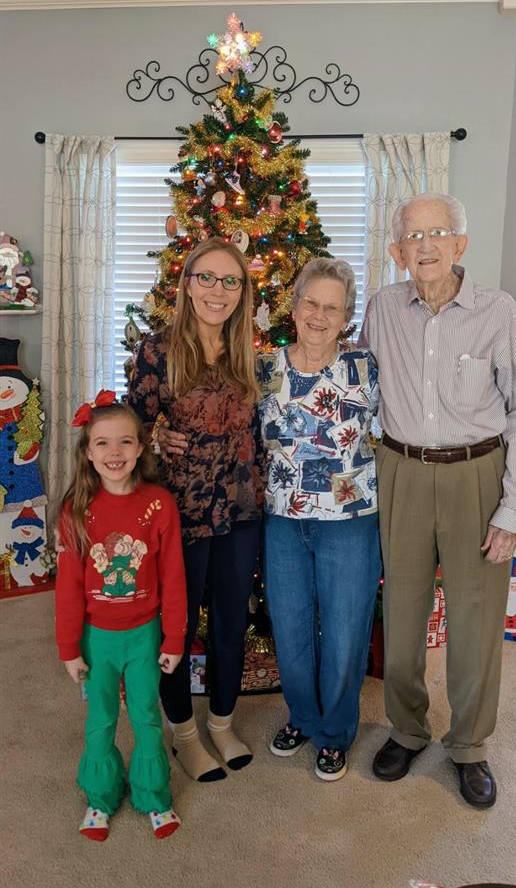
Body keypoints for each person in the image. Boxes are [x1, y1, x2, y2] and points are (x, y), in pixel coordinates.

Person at [361, 192, 516, 807]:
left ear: (460, 244)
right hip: (402, 471)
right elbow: (357, 389)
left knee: (475, 618)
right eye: (414, 236)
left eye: (439, 233)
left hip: (476, 474)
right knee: (404, 612)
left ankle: (469, 746)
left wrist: (513, 508)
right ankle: (408, 730)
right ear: (397, 251)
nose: (427, 245)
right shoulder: (381, 307)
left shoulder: (498, 312)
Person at [128, 238, 263, 783]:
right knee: (176, 630)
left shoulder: (248, 352)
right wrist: (157, 434)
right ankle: (184, 735)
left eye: (231, 281)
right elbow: (130, 431)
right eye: (207, 278)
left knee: (233, 622)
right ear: (187, 284)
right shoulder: (158, 352)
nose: (218, 290)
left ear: (243, 291)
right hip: (180, 515)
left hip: (242, 511)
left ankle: (223, 723)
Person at [257, 258, 382, 781]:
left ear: (346, 316)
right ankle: (303, 717)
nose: (319, 314)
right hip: (283, 520)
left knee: (347, 629)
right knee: (289, 628)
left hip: (350, 519)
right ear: (294, 303)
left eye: (332, 307)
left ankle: (334, 731)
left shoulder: (365, 368)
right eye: (311, 301)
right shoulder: (262, 368)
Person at [55, 392, 187, 840]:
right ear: (88, 452)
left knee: (148, 716)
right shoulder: (76, 510)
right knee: (102, 719)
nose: (115, 453)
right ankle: (100, 796)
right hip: (98, 640)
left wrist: (173, 639)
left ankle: (153, 794)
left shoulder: (159, 505)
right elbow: (68, 588)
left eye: (126, 442)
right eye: (104, 444)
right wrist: (69, 649)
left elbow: (173, 577)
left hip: (145, 635)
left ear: (142, 446)